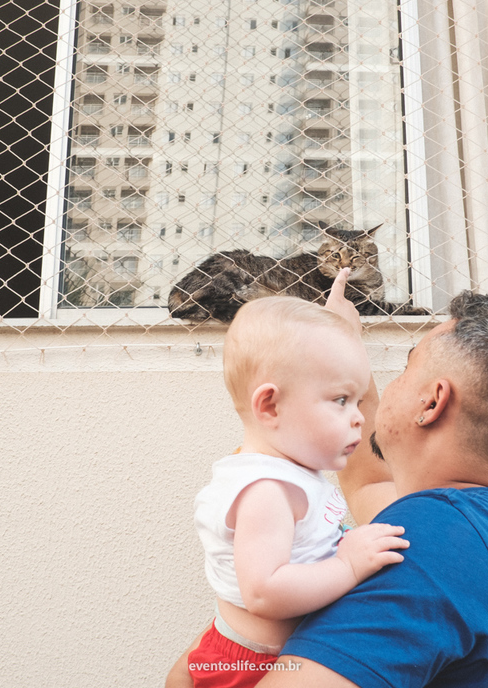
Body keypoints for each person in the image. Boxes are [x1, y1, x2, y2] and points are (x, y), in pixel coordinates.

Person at [251, 277, 488, 687]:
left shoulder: (434, 545)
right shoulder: (486, 531)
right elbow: (369, 485)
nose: (393, 385)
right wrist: (346, 345)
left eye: (407, 367)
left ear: (432, 402)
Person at [176, 292, 411, 688]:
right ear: (269, 406)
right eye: (340, 400)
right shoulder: (268, 489)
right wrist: (347, 566)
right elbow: (265, 593)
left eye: (356, 401)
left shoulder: (292, 473)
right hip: (247, 668)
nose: (357, 418)